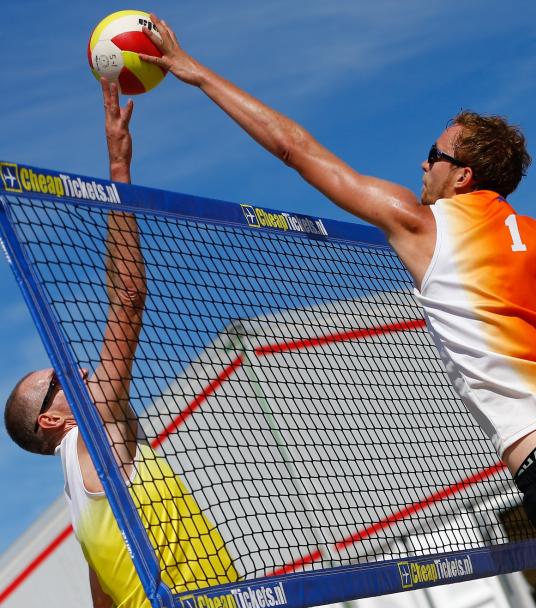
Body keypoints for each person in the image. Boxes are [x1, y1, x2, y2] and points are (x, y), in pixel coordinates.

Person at [139, 14, 536, 521]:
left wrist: (193, 71)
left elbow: (295, 149)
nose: (422, 164)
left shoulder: (422, 225)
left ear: (462, 175)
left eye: (433, 154)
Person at [3, 79, 284, 608]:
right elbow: (127, 301)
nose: (71, 370)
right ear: (53, 417)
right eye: (56, 379)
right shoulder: (92, 434)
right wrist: (119, 170)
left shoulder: (81, 499)